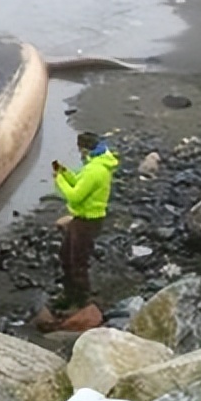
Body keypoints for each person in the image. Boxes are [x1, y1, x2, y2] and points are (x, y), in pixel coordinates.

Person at [52, 131, 119, 309]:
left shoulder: (95, 170)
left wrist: (59, 180)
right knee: (66, 255)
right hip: (81, 219)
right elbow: (79, 183)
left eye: (79, 149)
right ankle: (69, 293)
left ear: (85, 149)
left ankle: (80, 300)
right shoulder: (96, 164)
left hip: (87, 221)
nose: (79, 153)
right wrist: (64, 172)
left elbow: (75, 196)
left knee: (77, 261)